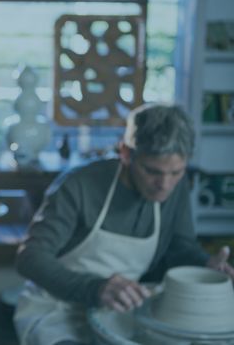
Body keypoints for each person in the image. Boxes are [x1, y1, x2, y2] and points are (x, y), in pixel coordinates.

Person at [14, 104, 234, 345]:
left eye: (176, 172)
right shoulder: (79, 186)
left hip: (121, 309)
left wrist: (204, 265)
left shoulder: (175, 187)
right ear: (126, 153)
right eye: (152, 171)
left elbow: (179, 246)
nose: (165, 184)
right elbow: (30, 258)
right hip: (55, 310)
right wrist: (96, 289)